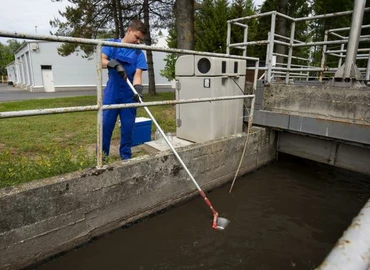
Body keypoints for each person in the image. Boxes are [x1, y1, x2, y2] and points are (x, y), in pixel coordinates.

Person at [101, 19, 148, 160]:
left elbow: (138, 74)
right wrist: (113, 64)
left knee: (128, 128)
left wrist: (138, 90)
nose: (138, 41)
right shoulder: (112, 44)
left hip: (128, 93)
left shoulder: (139, 54)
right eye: (137, 37)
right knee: (105, 126)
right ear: (129, 31)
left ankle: (126, 158)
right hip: (112, 93)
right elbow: (101, 60)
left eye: (141, 39)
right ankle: (102, 157)